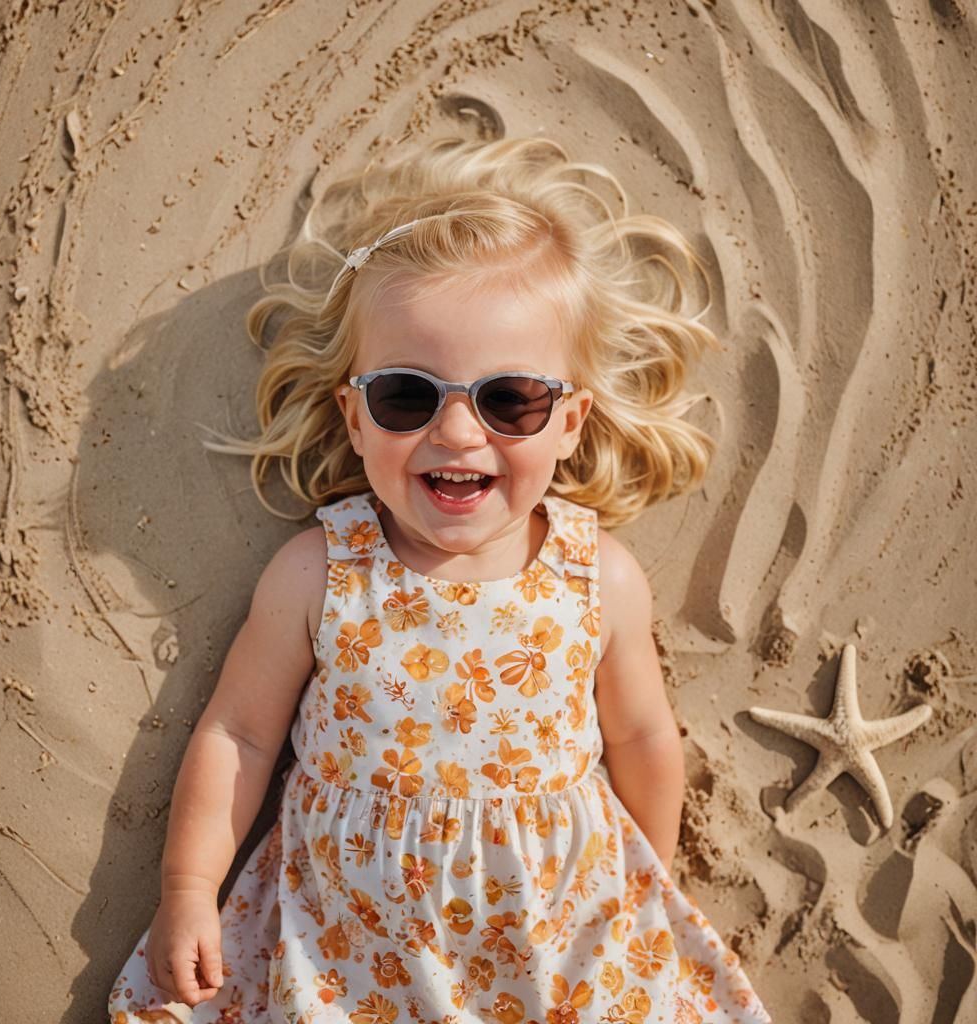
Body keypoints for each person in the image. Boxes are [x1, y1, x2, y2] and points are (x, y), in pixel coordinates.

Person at [108, 136, 771, 1022]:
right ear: (354, 413)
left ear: (570, 421)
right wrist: (190, 885)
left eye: (510, 401)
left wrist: (638, 887)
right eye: (408, 397)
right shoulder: (321, 570)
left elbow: (643, 737)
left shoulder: (596, 575)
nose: (458, 435)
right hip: (347, 954)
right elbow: (240, 736)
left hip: (552, 946)